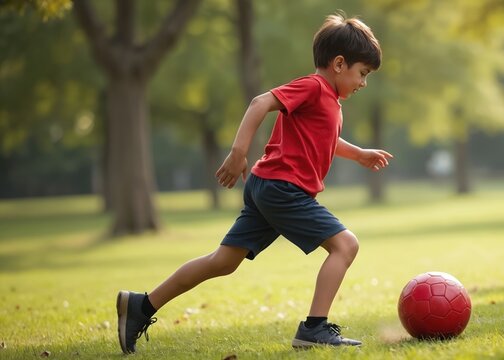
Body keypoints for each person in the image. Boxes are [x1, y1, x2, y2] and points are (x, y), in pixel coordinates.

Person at [116, 12, 392, 354]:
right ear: (339, 63)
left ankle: (142, 306)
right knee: (345, 245)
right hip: (282, 188)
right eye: (362, 73)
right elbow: (260, 102)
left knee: (223, 261)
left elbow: (326, 140)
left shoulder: (329, 103)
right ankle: (315, 328)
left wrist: (359, 154)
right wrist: (238, 152)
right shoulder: (313, 87)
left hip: (267, 186)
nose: (363, 83)